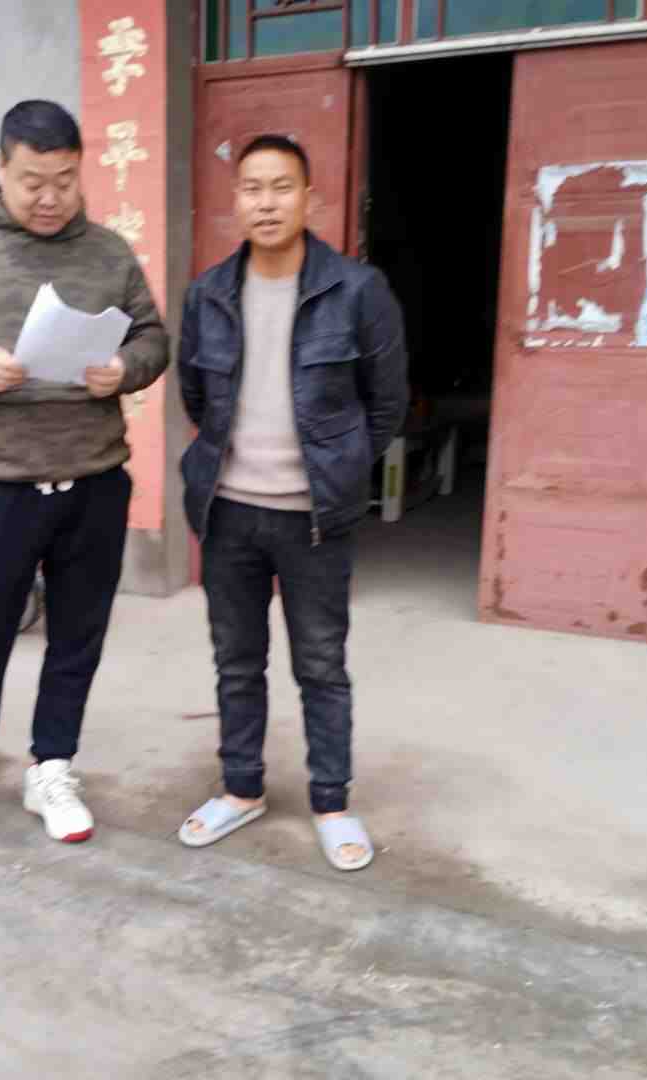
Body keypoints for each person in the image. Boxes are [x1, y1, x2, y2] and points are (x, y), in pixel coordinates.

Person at [0, 100, 169, 867]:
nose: (50, 198)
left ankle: (52, 769)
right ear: (2, 170)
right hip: (1, 484)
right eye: (32, 182)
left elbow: (153, 337)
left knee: (77, 639)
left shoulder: (108, 251)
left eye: (64, 181)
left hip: (94, 479)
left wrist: (126, 367)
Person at [175, 134, 408, 871]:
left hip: (314, 518)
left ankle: (332, 802)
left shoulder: (357, 290)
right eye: (252, 188)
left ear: (310, 197)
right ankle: (241, 789)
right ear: (236, 200)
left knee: (321, 665)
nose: (267, 202)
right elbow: (195, 394)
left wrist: (340, 468)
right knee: (236, 662)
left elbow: (387, 403)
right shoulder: (208, 293)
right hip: (228, 512)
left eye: (282, 187)